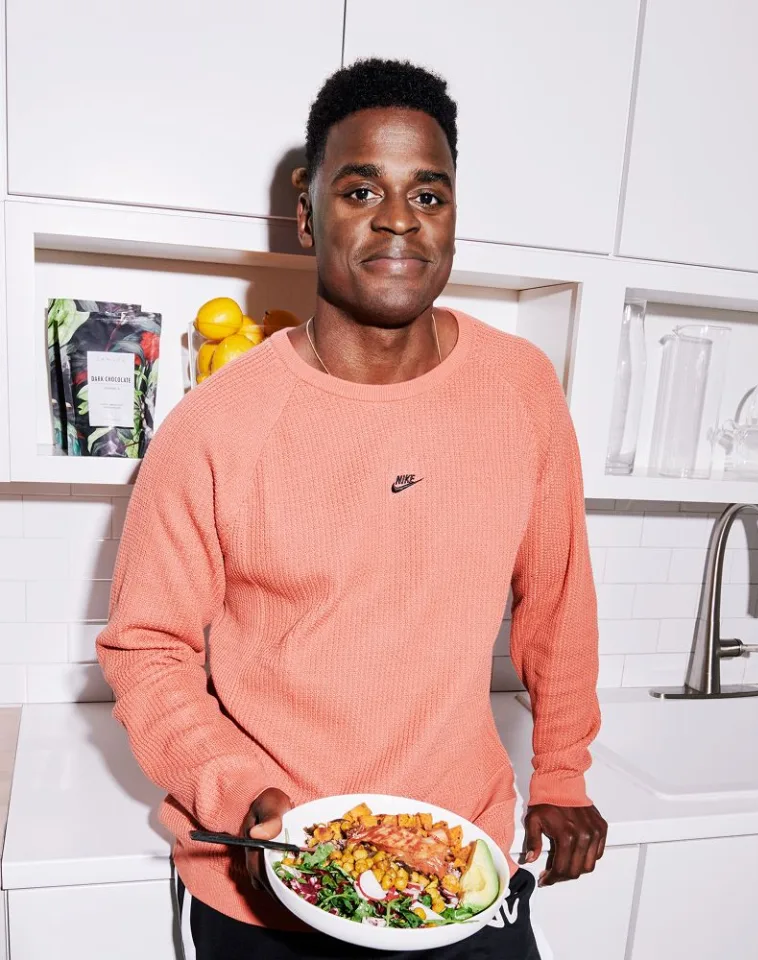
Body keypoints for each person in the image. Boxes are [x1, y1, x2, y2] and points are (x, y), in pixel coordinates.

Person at [97, 58, 607, 959]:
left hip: (457, 867)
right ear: (306, 210)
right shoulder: (212, 426)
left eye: (430, 195)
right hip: (264, 882)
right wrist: (235, 789)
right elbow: (147, 648)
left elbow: (558, 600)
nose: (399, 219)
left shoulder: (523, 391)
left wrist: (561, 771)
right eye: (360, 187)